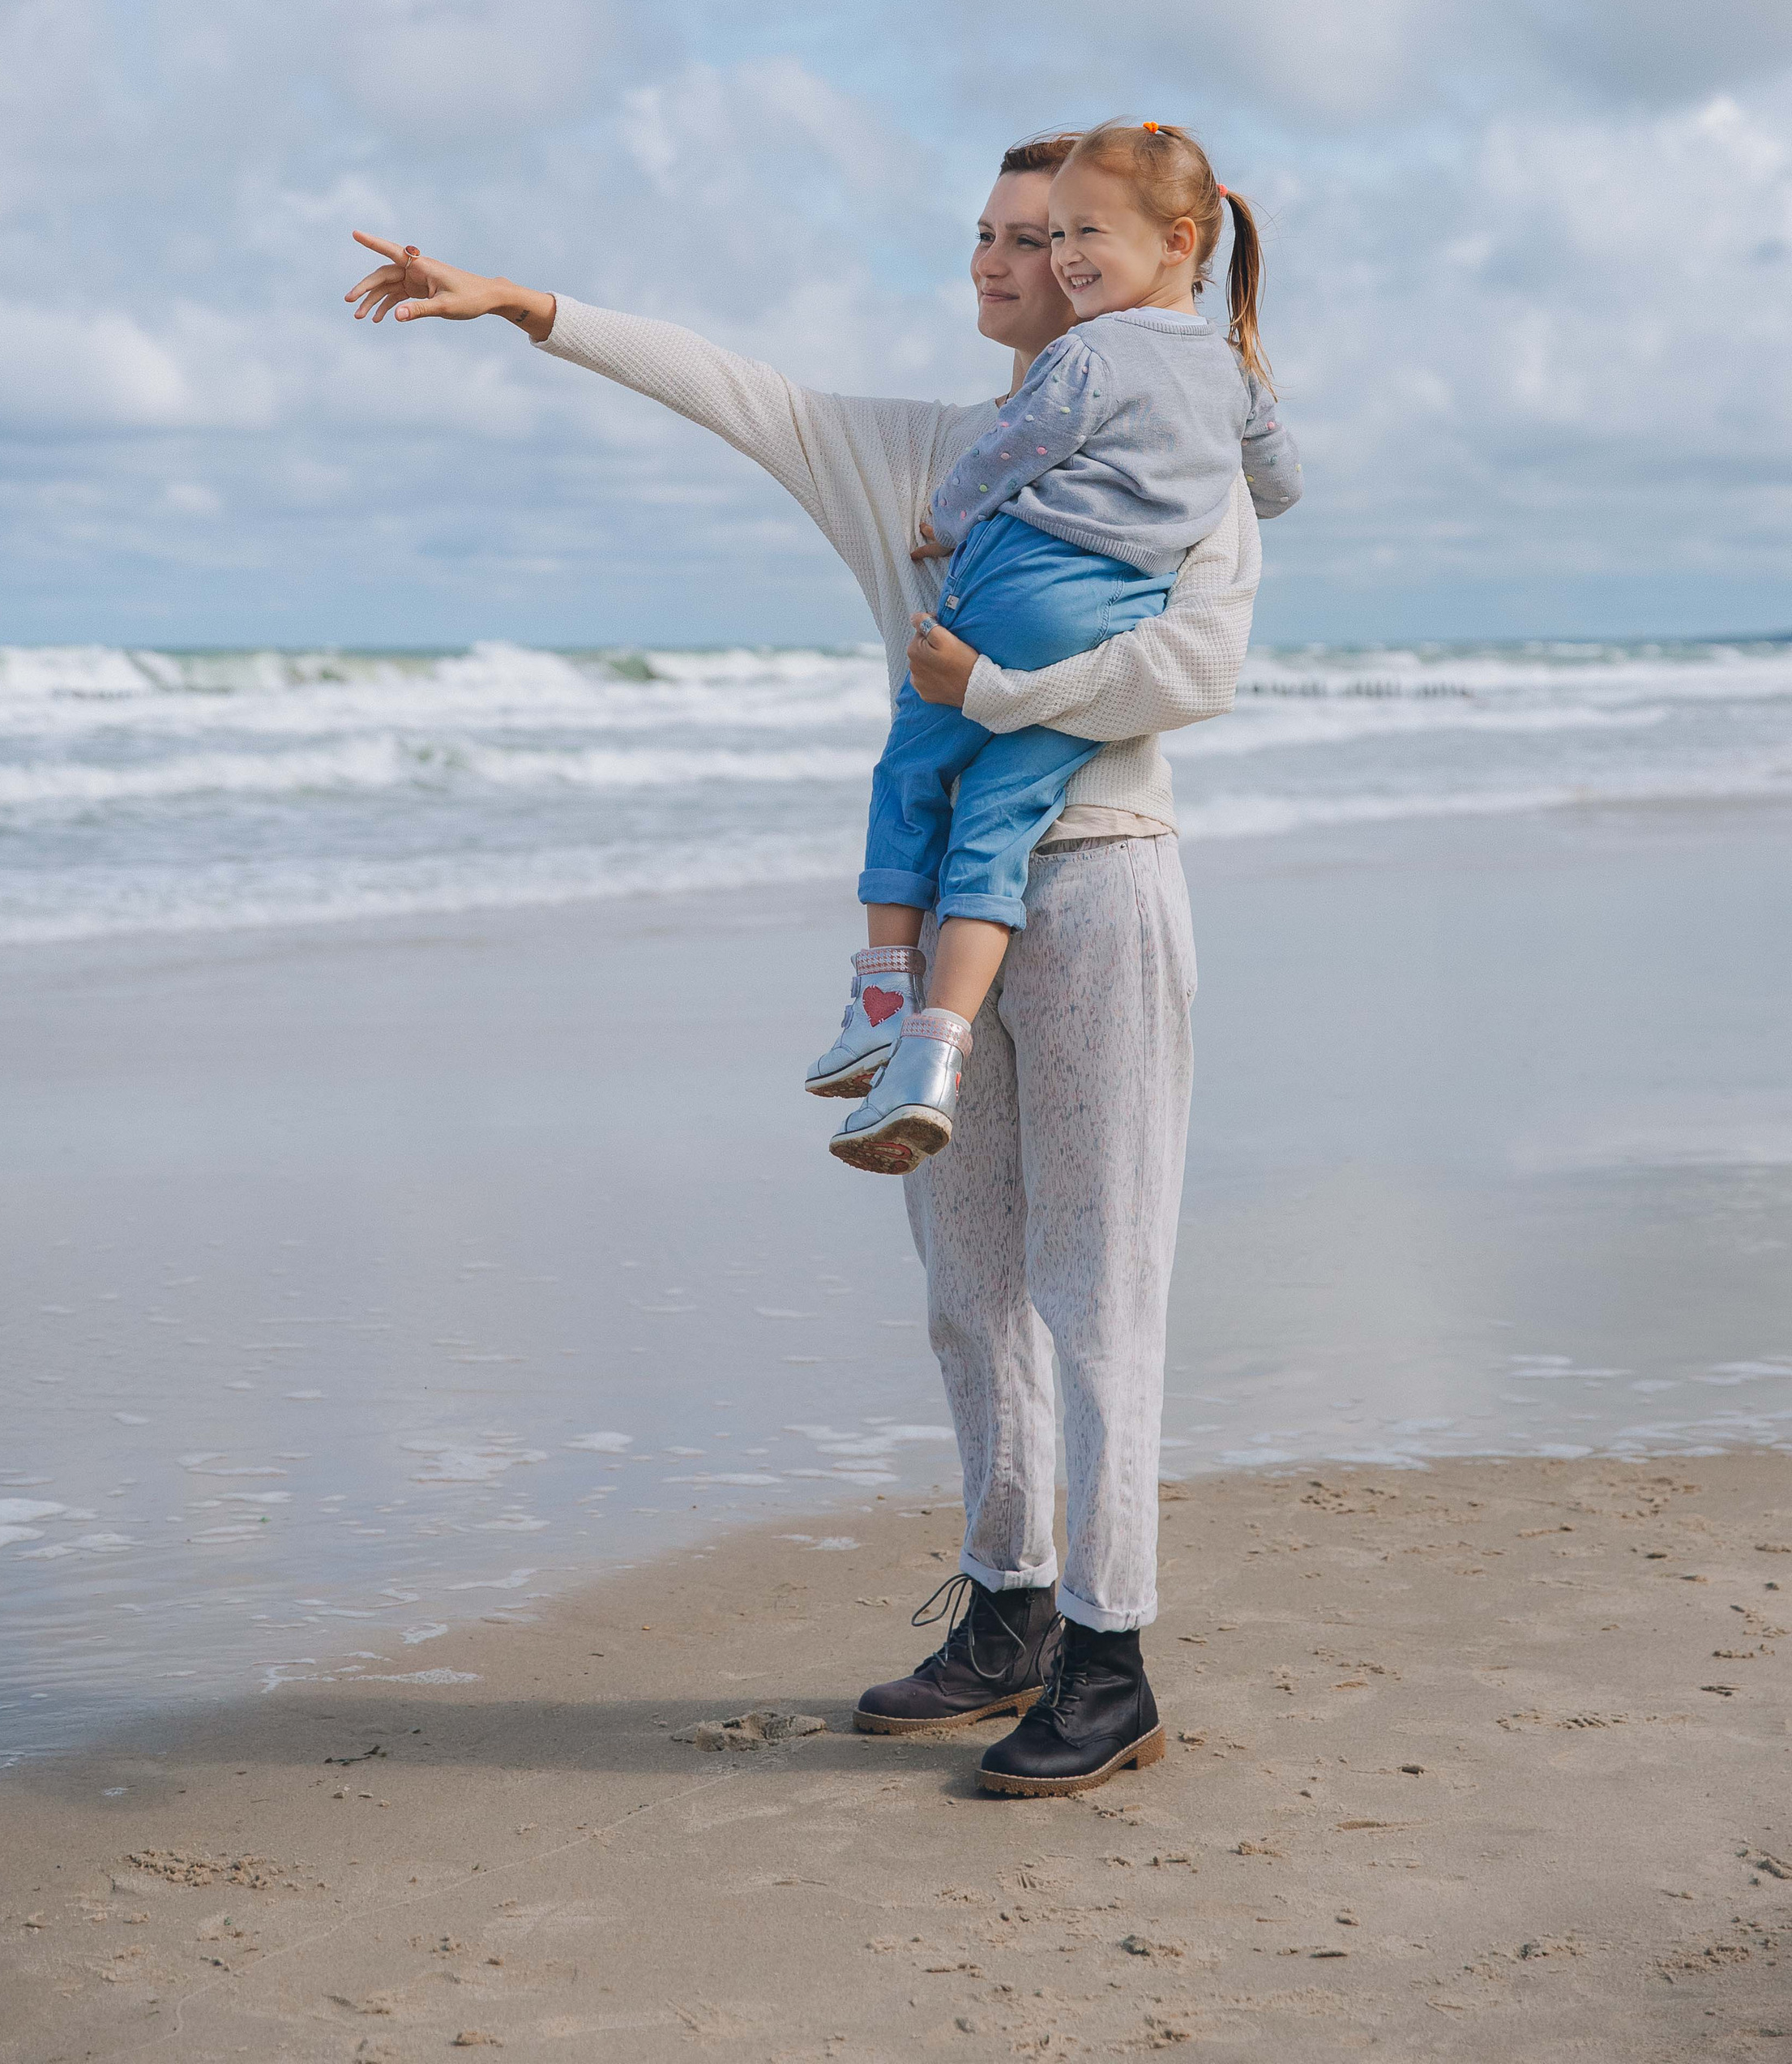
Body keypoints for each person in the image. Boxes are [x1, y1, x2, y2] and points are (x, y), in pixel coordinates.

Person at [343, 131, 1263, 1796]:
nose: (1009, 262)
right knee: (964, 1286)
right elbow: (727, 386)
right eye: (989, 235)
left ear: (1113, 252)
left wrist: (994, 691)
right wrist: (525, 306)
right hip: (940, 917)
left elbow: (1190, 666)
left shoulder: (1179, 447)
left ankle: (1110, 1659)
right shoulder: (912, 454)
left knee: (1095, 1289)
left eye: (1045, 234)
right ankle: (1009, 1607)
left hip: (1107, 887)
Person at [825, 119, 1298, 1176]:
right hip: (1116, 612)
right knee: (997, 818)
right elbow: (1280, 483)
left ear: (1177, 241)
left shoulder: (1090, 351)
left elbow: (1011, 452)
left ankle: (879, 1007)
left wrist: (941, 521)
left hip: (1023, 585)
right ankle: (935, 1062)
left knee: (914, 780)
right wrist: (1201, 485)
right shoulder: (1234, 377)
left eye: (1089, 232)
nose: (1068, 252)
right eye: (1060, 232)